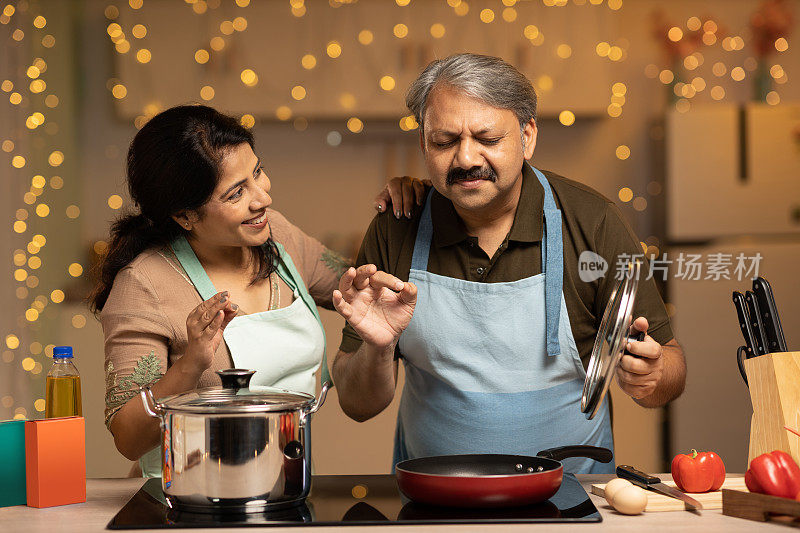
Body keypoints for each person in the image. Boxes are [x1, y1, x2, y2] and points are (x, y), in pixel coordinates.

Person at [330, 53, 687, 474]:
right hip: (433, 501)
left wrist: (654, 373)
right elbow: (357, 406)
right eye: (445, 142)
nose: (465, 159)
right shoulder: (397, 226)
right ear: (423, 143)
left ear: (527, 135)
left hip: (570, 499)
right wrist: (378, 346)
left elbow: (672, 371)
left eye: (487, 139)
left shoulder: (593, 222)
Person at [92, 104, 424, 477]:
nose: (262, 198)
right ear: (184, 215)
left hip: (285, 485)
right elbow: (128, 438)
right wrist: (191, 364)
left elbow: (365, 284)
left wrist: (418, 204)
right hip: (184, 498)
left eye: (258, 172)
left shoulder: (277, 237)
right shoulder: (144, 283)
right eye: (235, 194)